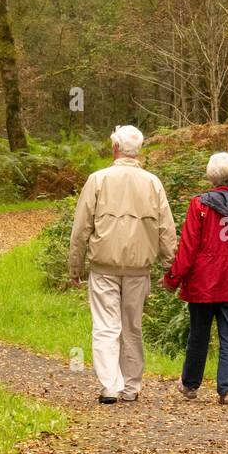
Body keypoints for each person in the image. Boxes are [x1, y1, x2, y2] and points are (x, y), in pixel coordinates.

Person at [68, 126, 178, 404]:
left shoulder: (98, 179)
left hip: (104, 265)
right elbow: (166, 228)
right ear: (138, 150)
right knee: (132, 326)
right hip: (139, 268)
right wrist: (171, 265)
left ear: (115, 148)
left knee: (106, 326)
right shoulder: (153, 183)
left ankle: (110, 387)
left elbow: (81, 227)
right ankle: (131, 386)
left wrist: (75, 266)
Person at [162, 152, 228, 405]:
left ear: (211, 175)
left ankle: (190, 385)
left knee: (198, 333)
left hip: (204, 281)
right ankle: (227, 390)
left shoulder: (200, 205)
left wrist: (173, 277)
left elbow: (188, 247)